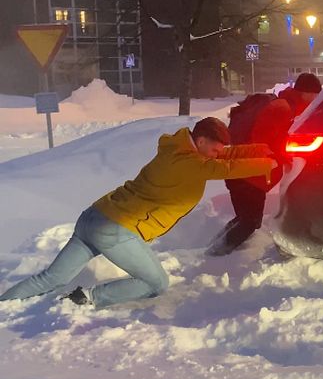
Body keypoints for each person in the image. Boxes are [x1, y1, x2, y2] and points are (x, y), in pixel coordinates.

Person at [0, 118, 275, 308]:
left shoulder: (177, 149)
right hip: (114, 228)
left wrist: (263, 150)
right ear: (201, 141)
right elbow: (226, 168)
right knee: (155, 283)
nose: (218, 153)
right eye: (214, 148)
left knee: (51, 278)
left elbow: (227, 156)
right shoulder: (189, 163)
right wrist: (268, 164)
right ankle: (89, 298)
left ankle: (4, 306)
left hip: (94, 216)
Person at [208, 73, 322, 255]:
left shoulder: (283, 105)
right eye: (315, 94)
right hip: (249, 173)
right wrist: (283, 157)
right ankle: (216, 255)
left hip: (239, 170)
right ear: (306, 93)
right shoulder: (282, 109)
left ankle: (215, 247)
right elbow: (261, 141)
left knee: (244, 218)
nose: (316, 99)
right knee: (250, 222)